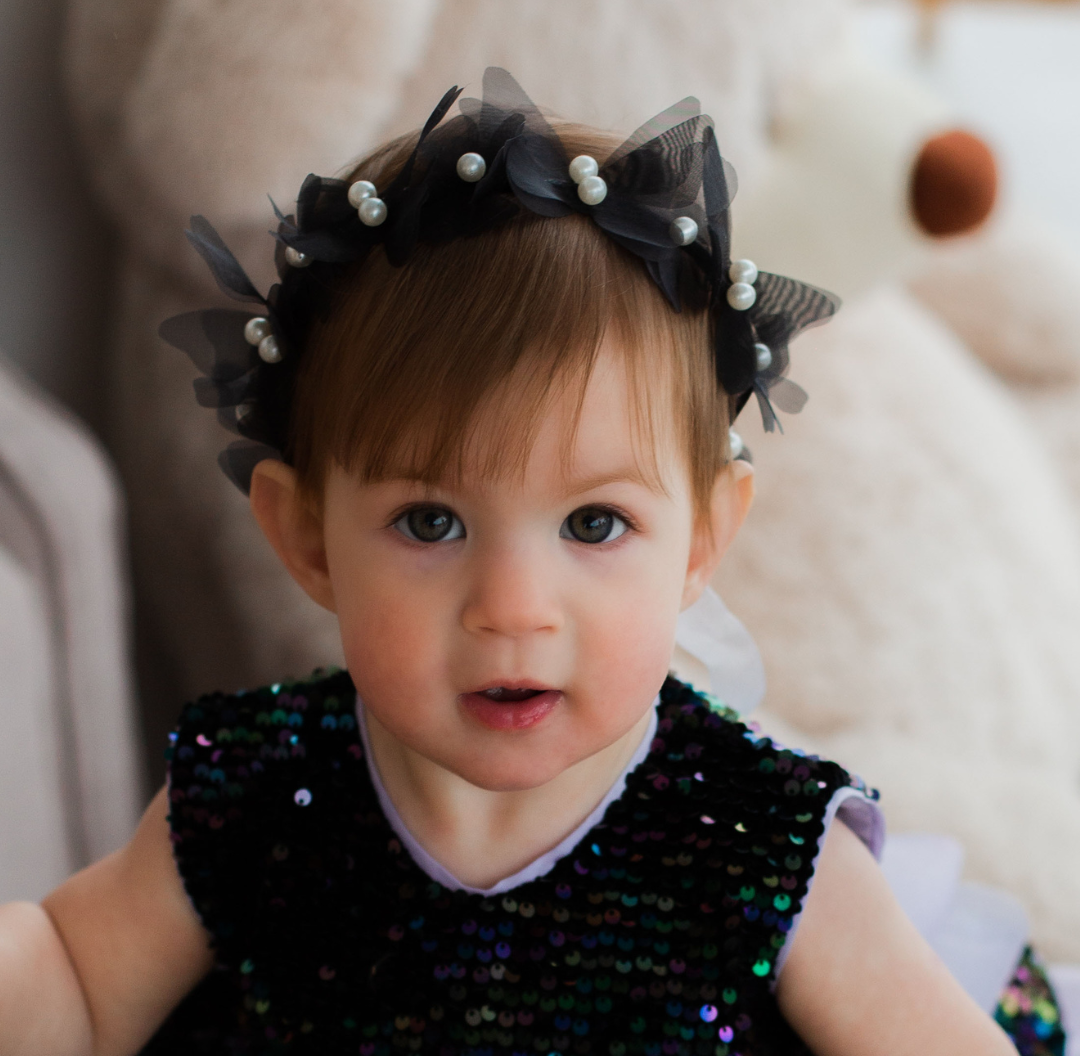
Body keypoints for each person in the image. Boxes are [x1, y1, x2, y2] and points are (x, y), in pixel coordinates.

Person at [0, 69, 1025, 1056]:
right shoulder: (255, 795)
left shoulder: (761, 844)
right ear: (307, 537)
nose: (512, 610)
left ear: (701, 542)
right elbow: (79, 991)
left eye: (593, 526)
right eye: (431, 524)